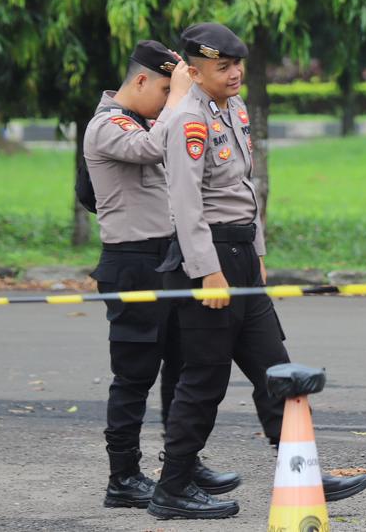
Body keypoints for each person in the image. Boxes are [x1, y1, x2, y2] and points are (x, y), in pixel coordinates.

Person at [147, 23, 366, 520]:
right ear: (194, 72)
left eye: (237, 65)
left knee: (278, 370)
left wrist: (258, 252)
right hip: (209, 259)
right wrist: (208, 271)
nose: (235, 74)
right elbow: (186, 204)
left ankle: (304, 470)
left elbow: (244, 189)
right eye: (222, 67)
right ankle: (172, 487)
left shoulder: (234, 109)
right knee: (205, 378)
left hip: (241, 253)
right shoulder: (188, 121)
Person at [84, 40, 242, 508]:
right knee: (134, 376)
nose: (168, 100)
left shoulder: (149, 118)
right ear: (140, 80)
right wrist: (178, 96)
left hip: (170, 258)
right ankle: (123, 477)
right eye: (163, 89)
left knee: (181, 365)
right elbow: (157, 146)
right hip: (132, 262)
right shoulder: (107, 125)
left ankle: (181, 465)